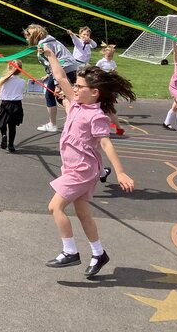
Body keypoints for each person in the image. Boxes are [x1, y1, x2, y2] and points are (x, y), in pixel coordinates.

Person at [40, 46, 135, 277]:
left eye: (80, 87)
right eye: (76, 86)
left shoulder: (97, 116)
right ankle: (98, 253)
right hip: (71, 168)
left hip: (83, 170)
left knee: (55, 206)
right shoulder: (74, 103)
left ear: (94, 93)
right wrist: (51, 56)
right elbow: (61, 77)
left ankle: (70, 251)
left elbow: (106, 144)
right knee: (83, 213)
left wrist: (120, 172)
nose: (74, 88)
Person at [25, 24, 80, 132]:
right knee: (70, 95)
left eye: (28, 35)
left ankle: (65, 123)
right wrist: (49, 74)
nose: (26, 37)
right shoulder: (51, 40)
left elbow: (53, 64)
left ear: (34, 35)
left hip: (63, 70)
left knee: (56, 96)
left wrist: (57, 84)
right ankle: (76, 120)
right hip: (72, 68)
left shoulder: (43, 46)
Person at [0, 60, 26, 152]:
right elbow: (21, 91)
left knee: (1, 121)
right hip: (17, 105)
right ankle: (11, 145)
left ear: (9, 68)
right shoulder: (22, 81)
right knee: (12, 126)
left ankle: (4, 135)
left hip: (5, 103)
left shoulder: (3, 80)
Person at [95, 45, 124, 135]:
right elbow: (95, 71)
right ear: (104, 54)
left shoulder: (112, 62)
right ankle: (117, 127)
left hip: (109, 84)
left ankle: (117, 127)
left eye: (111, 56)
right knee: (105, 108)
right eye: (108, 55)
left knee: (108, 107)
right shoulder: (101, 62)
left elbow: (115, 71)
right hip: (102, 83)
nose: (110, 57)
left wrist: (113, 72)